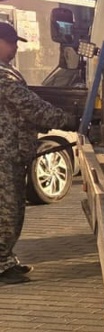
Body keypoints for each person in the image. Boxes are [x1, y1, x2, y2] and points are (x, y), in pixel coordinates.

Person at [0, 21, 72, 284]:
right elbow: (32, 106)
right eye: (11, 43)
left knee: (13, 208)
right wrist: (67, 119)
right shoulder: (2, 76)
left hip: (11, 154)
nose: (15, 48)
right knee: (6, 211)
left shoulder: (7, 72)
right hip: (3, 155)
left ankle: (5, 259)